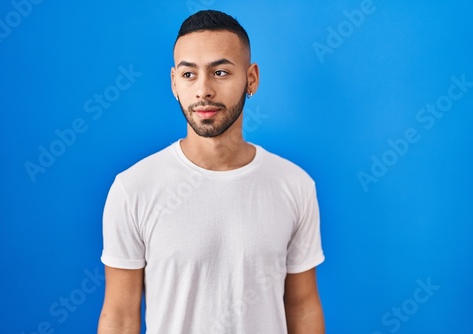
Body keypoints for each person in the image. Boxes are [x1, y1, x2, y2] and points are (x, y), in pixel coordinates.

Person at [97, 10, 325, 334]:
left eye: (220, 72)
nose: (203, 90)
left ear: (251, 79)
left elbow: (303, 306)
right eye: (189, 75)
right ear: (174, 83)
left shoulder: (294, 185)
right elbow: (119, 317)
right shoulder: (133, 188)